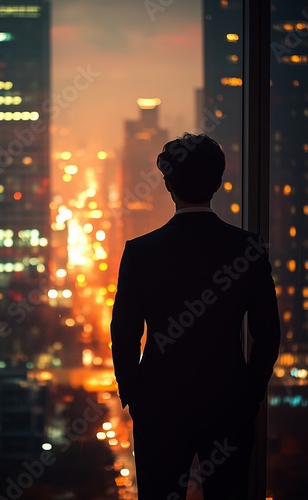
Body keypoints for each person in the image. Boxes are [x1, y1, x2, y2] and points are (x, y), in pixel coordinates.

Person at [110, 132, 281, 500]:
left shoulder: (140, 252)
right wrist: (250, 393)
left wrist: (135, 394)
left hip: (159, 404)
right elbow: (268, 333)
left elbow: (124, 334)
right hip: (229, 401)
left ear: (168, 183)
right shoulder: (247, 248)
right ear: (219, 181)